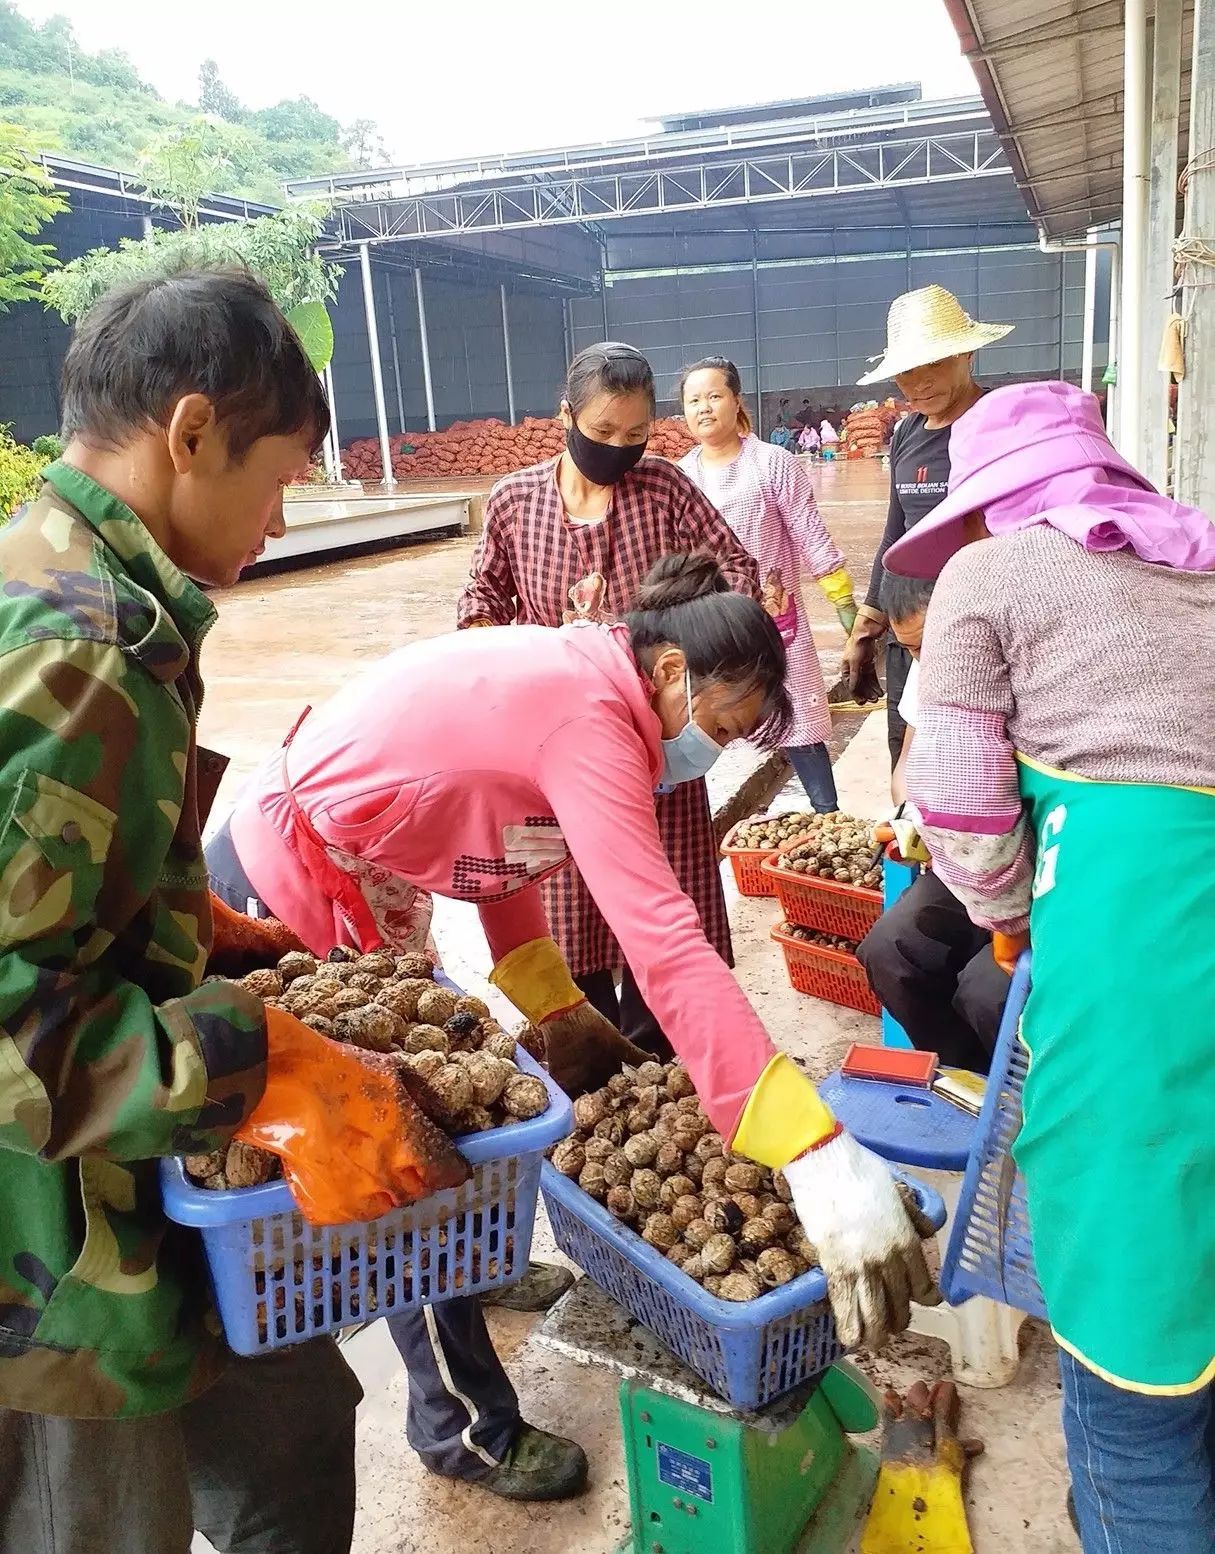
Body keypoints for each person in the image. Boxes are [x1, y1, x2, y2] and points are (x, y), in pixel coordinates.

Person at [211, 551, 938, 1376]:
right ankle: (453, 1414)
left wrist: (554, 1006)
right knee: (378, 1159)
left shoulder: (594, 680)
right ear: (671, 671)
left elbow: (497, 850)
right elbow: (661, 938)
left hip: (369, 869)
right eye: (723, 729)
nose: (715, 752)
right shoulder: (590, 722)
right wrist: (806, 1144)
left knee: (423, 1116)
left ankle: (463, 1272)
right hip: (285, 886)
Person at [0, 270, 422, 1554]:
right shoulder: (83, 650)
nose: (283, 518)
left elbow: (73, 884)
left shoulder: (66, 569)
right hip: (52, 1245)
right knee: (103, 1519)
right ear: (189, 435)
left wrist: (196, 928)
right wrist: (259, 1054)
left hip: (146, 1178)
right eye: (282, 478)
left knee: (295, 1433)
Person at [887, 380, 1215, 1554]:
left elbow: (962, 798)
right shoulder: (1197, 555)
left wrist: (1008, 915)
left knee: (1133, 1385)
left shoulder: (991, 573)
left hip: (1145, 947)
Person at [457, 341, 758, 1059]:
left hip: (653, 744)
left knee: (660, 904)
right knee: (563, 910)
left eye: (635, 436)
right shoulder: (513, 500)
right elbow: (477, 602)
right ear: (565, 417)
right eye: (600, 435)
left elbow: (740, 571)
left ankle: (662, 1062)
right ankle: (591, 1059)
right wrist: (518, 652)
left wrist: (683, 636)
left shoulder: (664, 490)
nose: (619, 451)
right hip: (548, 753)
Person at [677, 355, 858, 812]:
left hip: (776, 622)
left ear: (736, 400)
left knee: (798, 720)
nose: (704, 408)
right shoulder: (680, 476)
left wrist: (844, 604)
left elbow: (809, 532)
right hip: (711, 628)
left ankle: (826, 815)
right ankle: (699, 826)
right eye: (693, 400)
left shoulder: (772, 463)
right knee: (704, 723)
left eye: (714, 396)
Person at [840, 284, 1012, 763]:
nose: (917, 383)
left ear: (968, 352)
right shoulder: (907, 433)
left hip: (984, 627)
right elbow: (895, 532)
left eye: (932, 364)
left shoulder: (999, 423)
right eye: (905, 372)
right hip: (910, 629)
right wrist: (867, 625)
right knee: (910, 750)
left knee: (980, 752)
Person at [854, 571, 1007, 1073]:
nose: (924, 663)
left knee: (986, 991)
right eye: (911, 650)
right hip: (963, 860)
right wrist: (912, 820)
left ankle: (1033, 1105)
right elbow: (909, 765)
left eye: (928, 646)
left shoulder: (1004, 660)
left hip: (1034, 867)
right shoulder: (929, 666)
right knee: (889, 951)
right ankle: (972, 1083)